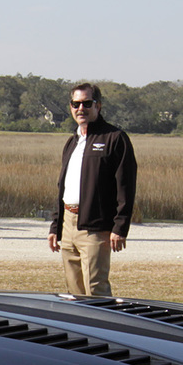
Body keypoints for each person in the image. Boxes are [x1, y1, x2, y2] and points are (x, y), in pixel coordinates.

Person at [47, 82, 136, 297]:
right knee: (73, 291)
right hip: (68, 224)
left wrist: (120, 227)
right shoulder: (72, 142)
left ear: (98, 106)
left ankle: (105, 329)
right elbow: (64, 186)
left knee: (95, 289)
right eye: (75, 104)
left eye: (87, 103)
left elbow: (126, 185)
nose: (81, 109)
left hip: (96, 227)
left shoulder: (114, 138)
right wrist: (55, 226)